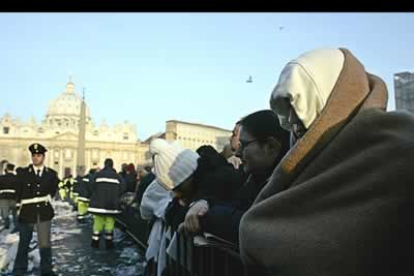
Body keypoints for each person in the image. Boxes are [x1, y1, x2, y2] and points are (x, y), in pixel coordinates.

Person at [239, 48, 414, 276]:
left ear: (336, 99)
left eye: (298, 106)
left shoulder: (403, 147)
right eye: (287, 111)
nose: (292, 121)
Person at [181, 110, 290, 245]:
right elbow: (231, 203)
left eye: (244, 145)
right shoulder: (252, 179)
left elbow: (250, 223)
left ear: (271, 146)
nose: (237, 153)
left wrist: (203, 217)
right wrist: (203, 203)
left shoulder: (289, 185)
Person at [13, 143, 60, 276]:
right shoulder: (23, 173)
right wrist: (17, 208)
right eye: (34, 155)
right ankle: (19, 269)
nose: (35, 158)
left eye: (38, 155)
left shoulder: (51, 174)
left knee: (44, 244)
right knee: (24, 243)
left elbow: (52, 191)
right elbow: (18, 192)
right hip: (27, 212)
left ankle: (46, 270)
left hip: (44, 212)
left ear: (43, 157)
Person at [89, 158, 126, 249]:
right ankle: (109, 242)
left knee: (98, 221)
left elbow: (90, 186)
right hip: (112, 204)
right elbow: (123, 187)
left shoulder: (97, 175)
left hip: (98, 204)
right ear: (112, 165)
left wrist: (96, 195)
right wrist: (116, 195)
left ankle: (95, 242)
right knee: (110, 222)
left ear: (104, 164)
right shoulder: (117, 177)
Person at [0, 163, 18, 231]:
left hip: (3, 197)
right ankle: (16, 226)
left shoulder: (1, 178)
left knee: (5, 213)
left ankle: (6, 225)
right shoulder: (17, 178)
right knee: (15, 213)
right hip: (14, 197)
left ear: (6, 170)